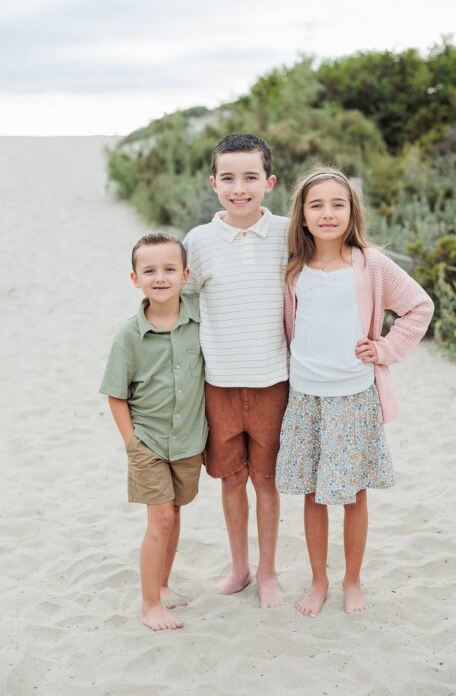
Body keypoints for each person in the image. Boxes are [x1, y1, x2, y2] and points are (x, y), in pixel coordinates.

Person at [277, 166, 433, 617]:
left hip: (353, 395)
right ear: (302, 215)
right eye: (316, 205)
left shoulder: (371, 265)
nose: (327, 213)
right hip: (305, 397)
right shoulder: (293, 268)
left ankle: (352, 580)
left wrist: (384, 349)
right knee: (311, 493)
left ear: (352, 212)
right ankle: (319, 580)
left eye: (337, 204)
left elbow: (419, 307)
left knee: (354, 494)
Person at [182, 133, 290, 607]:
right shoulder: (199, 241)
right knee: (231, 479)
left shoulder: (290, 234)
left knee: (266, 479)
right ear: (213, 183)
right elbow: (183, 305)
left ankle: (268, 573)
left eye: (250, 177)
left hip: (274, 380)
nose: (239, 188)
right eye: (228, 178)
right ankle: (240, 568)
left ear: (269, 181)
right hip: (220, 382)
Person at [100, 233, 207, 631]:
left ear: (185, 274)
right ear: (135, 279)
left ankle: (162, 585)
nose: (160, 278)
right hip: (147, 441)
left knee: (175, 514)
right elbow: (115, 395)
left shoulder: (198, 319)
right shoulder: (129, 335)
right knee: (159, 519)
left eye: (168, 269)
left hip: (188, 440)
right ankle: (148, 605)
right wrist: (132, 442)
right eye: (150, 271)